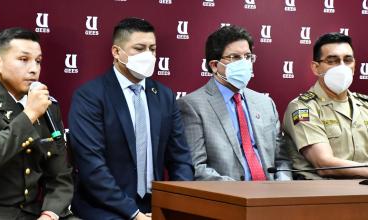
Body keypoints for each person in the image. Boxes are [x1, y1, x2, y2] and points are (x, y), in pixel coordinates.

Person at [68, 17, 194, 220]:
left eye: (152, 49)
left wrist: (179, 205)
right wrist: (134, 214)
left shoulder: (164, 96)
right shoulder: (90, 96)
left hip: (157, 205)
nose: (149, 55)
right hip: (105, 208)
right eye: (139, 48)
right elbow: (92, 166)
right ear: (117, 52)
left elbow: (180, 159)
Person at [0, 28, 75, 219]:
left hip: (34, 213)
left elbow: (60, 176)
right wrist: (30, 113)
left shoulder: (49, 106)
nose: (34, 69)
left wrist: (50, 213)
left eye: (38, 61)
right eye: (23, 59)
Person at [177, 25, 292, 181]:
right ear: (214, 65)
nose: (245, 63)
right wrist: (239, 192)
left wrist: (283, 183)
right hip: (228, 198)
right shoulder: (192, 105)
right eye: (235, 57)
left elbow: (281, 159)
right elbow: (198, 168)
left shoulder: (266, 103)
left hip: (270, 196)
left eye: (248, 56)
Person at [283, 32, 368, 180]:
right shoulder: (303, 108)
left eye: (347, 60)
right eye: (332, 61)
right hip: (325, 196)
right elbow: (324, 164)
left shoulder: (365, 105)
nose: (342, 67)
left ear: (354, 66)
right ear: (316, 68)